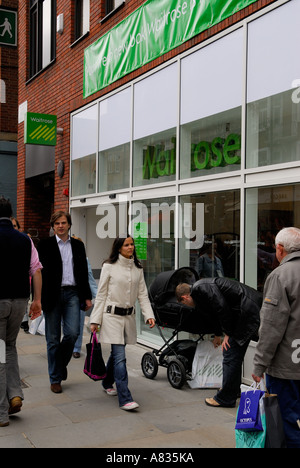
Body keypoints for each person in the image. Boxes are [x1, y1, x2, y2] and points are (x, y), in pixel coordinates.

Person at [90, 235, 155, 411]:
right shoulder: (108, 266)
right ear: (118, 248)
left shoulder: (137, 268)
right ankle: (125, 398)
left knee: (116, 355)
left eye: (132, 244)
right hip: (111, 317)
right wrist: (95, 320)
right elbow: (101, 294)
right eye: (126, 245)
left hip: (129, 318)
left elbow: (142, 294)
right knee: (120, 357)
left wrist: (149, 315)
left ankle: (106, 381)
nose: (130, 247)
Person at [175, 277, 262, 408]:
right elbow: (214, 314)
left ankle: (226, 398)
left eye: (184, 303)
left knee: (230, 353)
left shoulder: (201, 288)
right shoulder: (200, 293)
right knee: (234, 354)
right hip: (246, 311)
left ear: (185, 297)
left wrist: (227, 333)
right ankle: (233, 390)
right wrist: (217, 334)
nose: (187, 306)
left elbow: (221, 307)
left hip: (247, 311)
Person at [252, 227, 300, 448]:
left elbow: (271, 327)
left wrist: (259, 364)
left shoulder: (280, 276)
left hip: (287, 366)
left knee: (287, 422)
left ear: (280, 249)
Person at [38, 211, 92, 394]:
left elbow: (83, 271)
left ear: (69, 225)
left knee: (72, 333)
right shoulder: (44, 245)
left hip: (73, 294)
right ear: (53, 226)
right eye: (57, 223)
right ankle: (55, 378)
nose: (60, 226)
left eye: (64, 223)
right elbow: (37, 273)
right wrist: (37, 299)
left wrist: (87, 296)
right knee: (52, 339)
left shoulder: (78, 245)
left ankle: (59, 365)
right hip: (52, 295)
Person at [0, 197, 42, 427]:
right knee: (9, 346)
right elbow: (36, 269)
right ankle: (14, 394)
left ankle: (1, 412)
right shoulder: (25, 239)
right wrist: (37, 300)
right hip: (19, 302)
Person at [71, 236, 98, 358]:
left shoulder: (84, 260)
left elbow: (90, 278)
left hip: (79, 296)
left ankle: (76, 348)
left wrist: (97, 296)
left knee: (79, 323)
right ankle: (68, 344)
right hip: (63, 296)